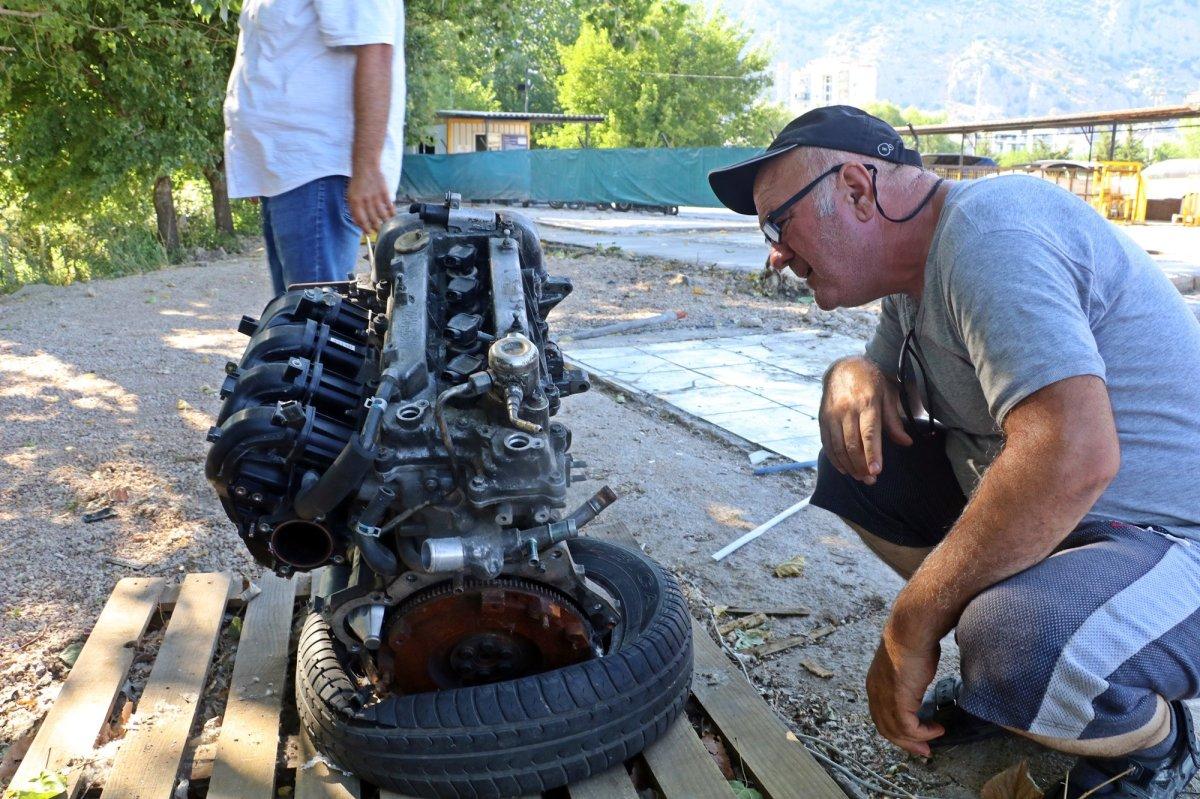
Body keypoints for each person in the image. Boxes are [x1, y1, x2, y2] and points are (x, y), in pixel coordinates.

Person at [708, 105, 1200, 798]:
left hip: (1175, 542)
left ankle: (1158, 748)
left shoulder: (989, 232)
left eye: (777, 223)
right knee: (856, 466)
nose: (775, 254)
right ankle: (1021, 685)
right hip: (1085, 530)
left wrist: (912, 624)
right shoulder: (914, 281)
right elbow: (883, 397)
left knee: (1015, 638)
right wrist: (848, 375)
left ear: (857, 188)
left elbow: (1073, 452)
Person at [223, 0, 406, 297]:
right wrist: (258, 163)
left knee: (315, 327)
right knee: (293, 325)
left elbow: (375, 48)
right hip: (289, 174)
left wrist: (367, 168)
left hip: (318, 175)